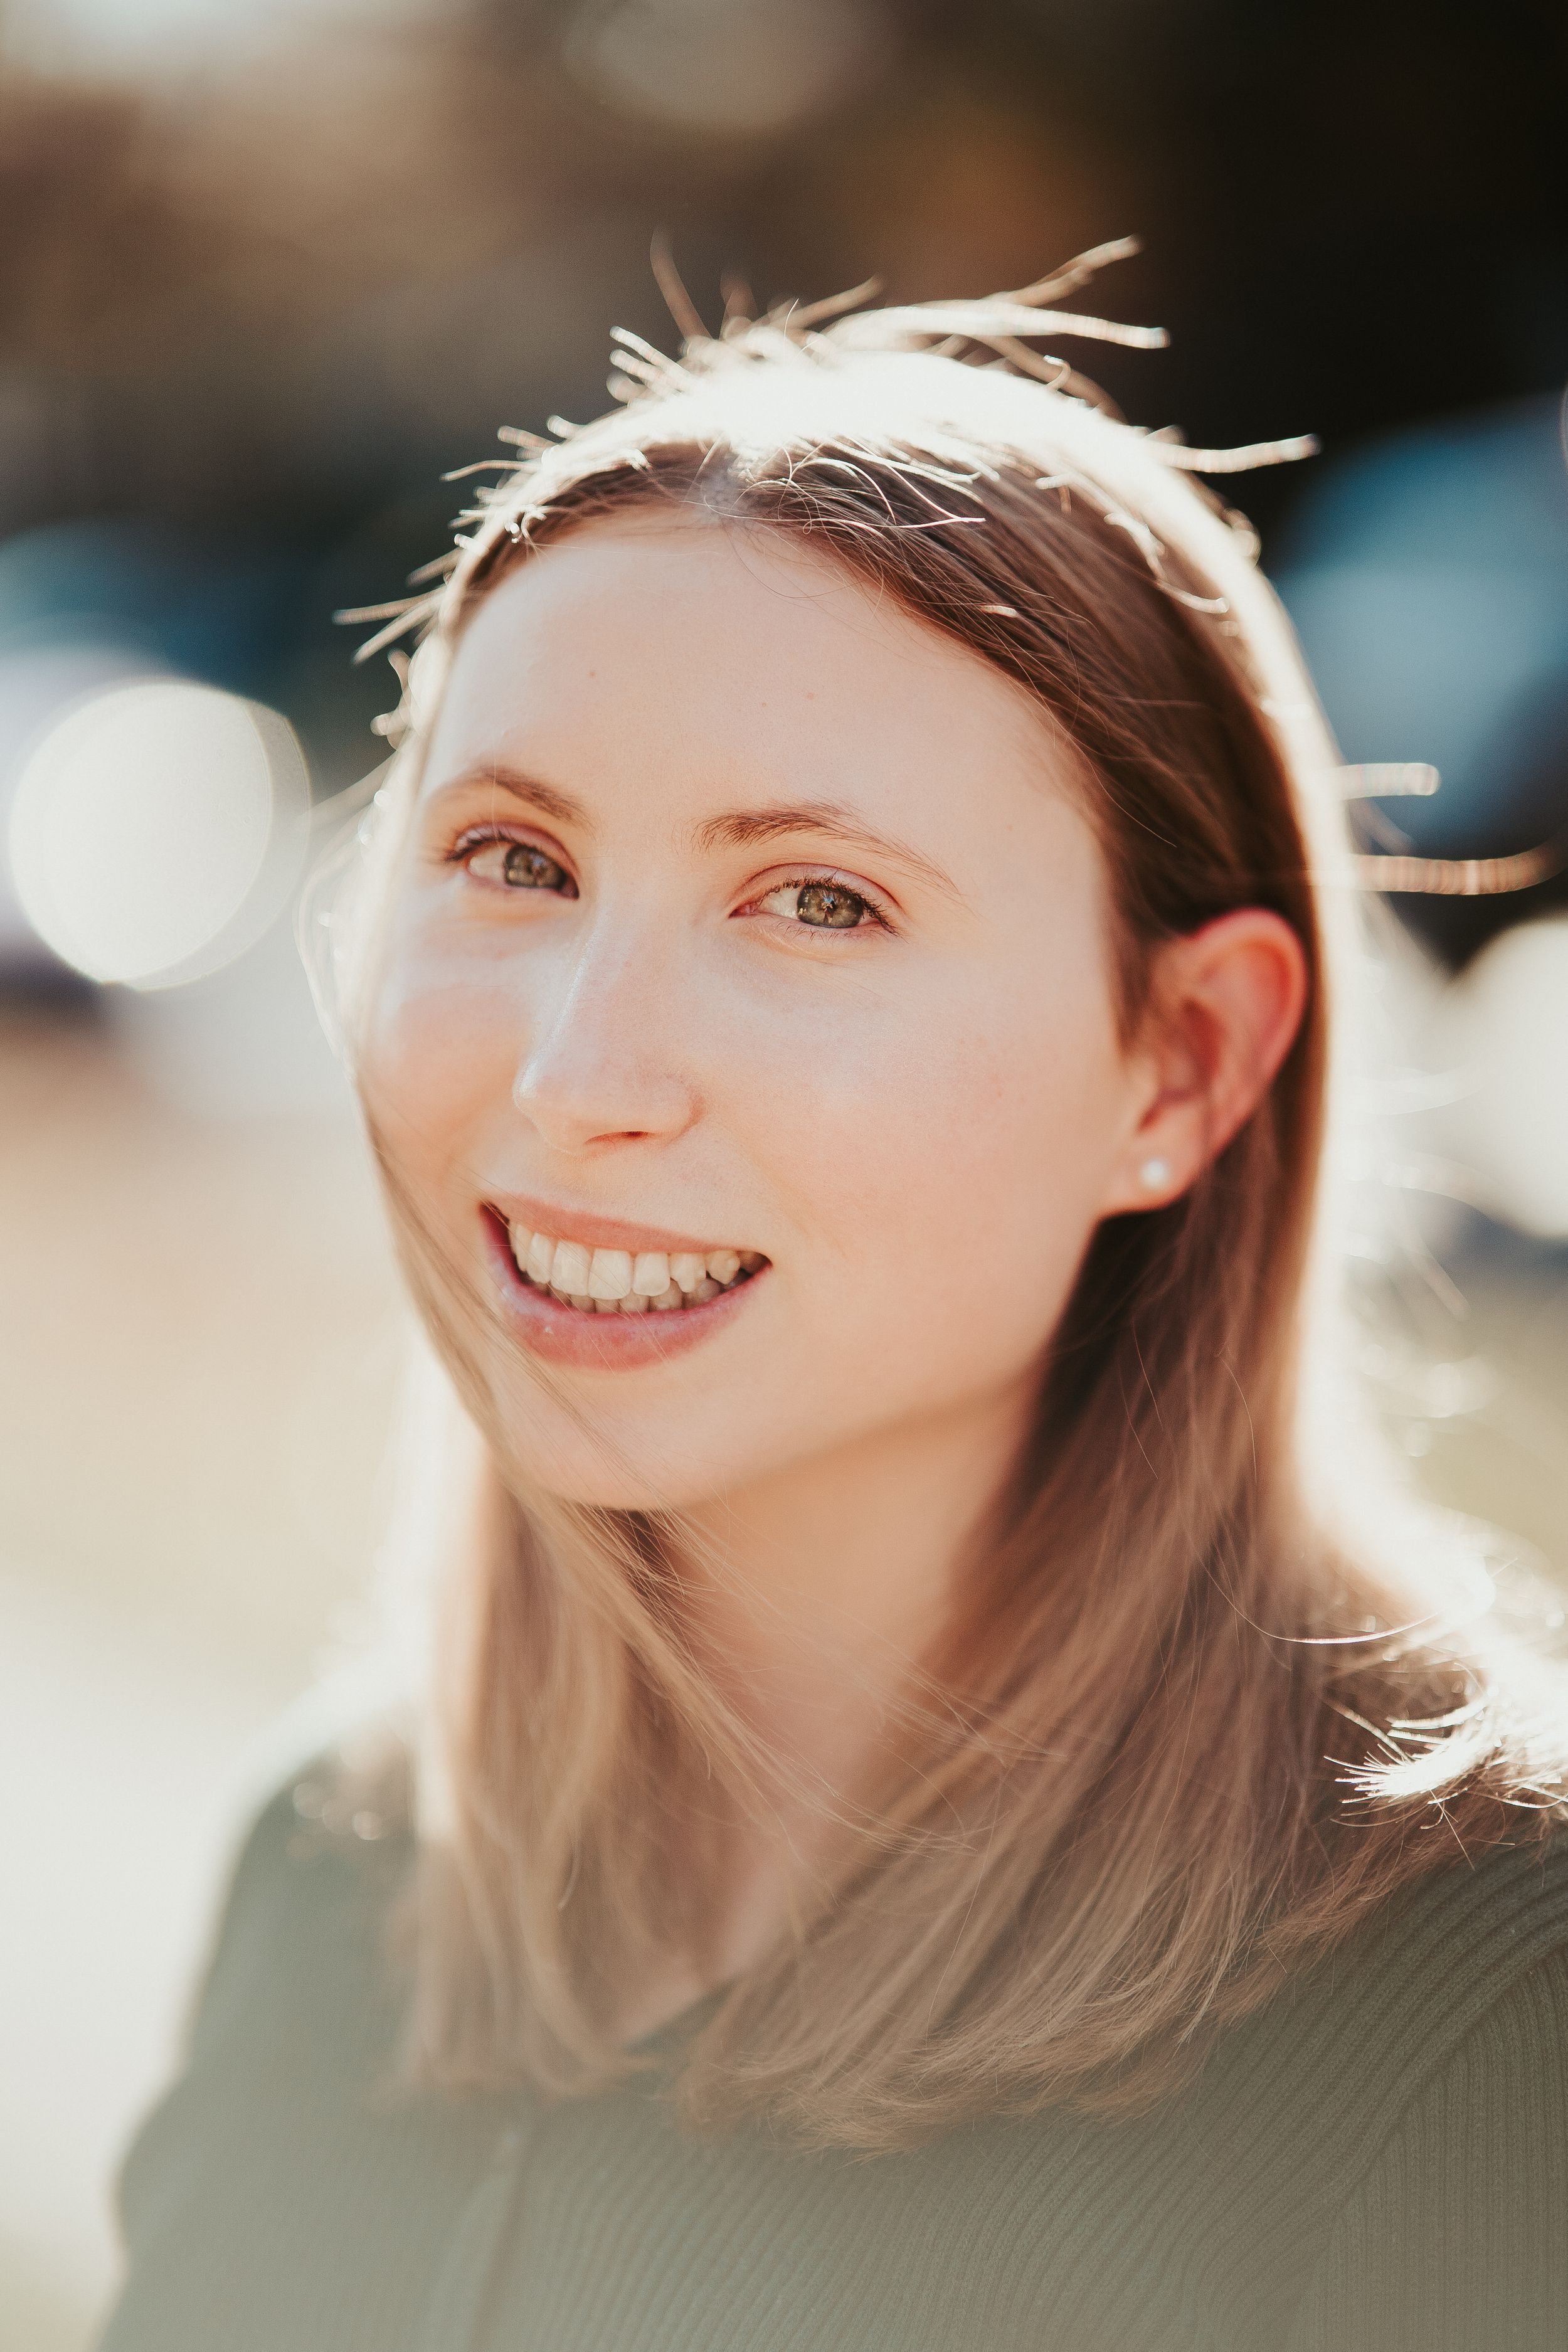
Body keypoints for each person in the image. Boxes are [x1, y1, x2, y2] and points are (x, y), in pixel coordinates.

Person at [100, 250, 1568, 2352]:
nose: (577, 1078)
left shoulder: (1492, 2024)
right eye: (512, 860)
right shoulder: (343, 1868)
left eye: (816, 902)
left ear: (1181, 1064)